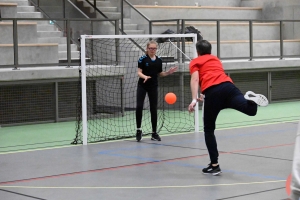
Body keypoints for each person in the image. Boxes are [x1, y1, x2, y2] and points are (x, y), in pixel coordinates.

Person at [188, 40, 269, 175]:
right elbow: (213, 76)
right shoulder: (216, 59)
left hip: (213, 93)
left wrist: (193, 99)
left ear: (197, 52)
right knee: (250, 111)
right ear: (210, 50)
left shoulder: (195, 61)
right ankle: (252, 101)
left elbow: (195, 79)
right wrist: (203, 94)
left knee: (208, 129)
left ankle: (214, 165)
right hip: (228, 87)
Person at [136, 40, 177, 142]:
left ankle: (154, 133)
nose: (152, 50)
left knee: (153, 109)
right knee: (139, 106)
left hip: (153, 86)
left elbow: (160, 73)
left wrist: (168, 72)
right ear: (147, 48)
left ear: (156, 49)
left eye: (154, 48)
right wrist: (145, 76)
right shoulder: (142, 59)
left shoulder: (159, 60)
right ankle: (138, 130)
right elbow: (139, 72)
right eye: (151, 48)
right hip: (142, 85)